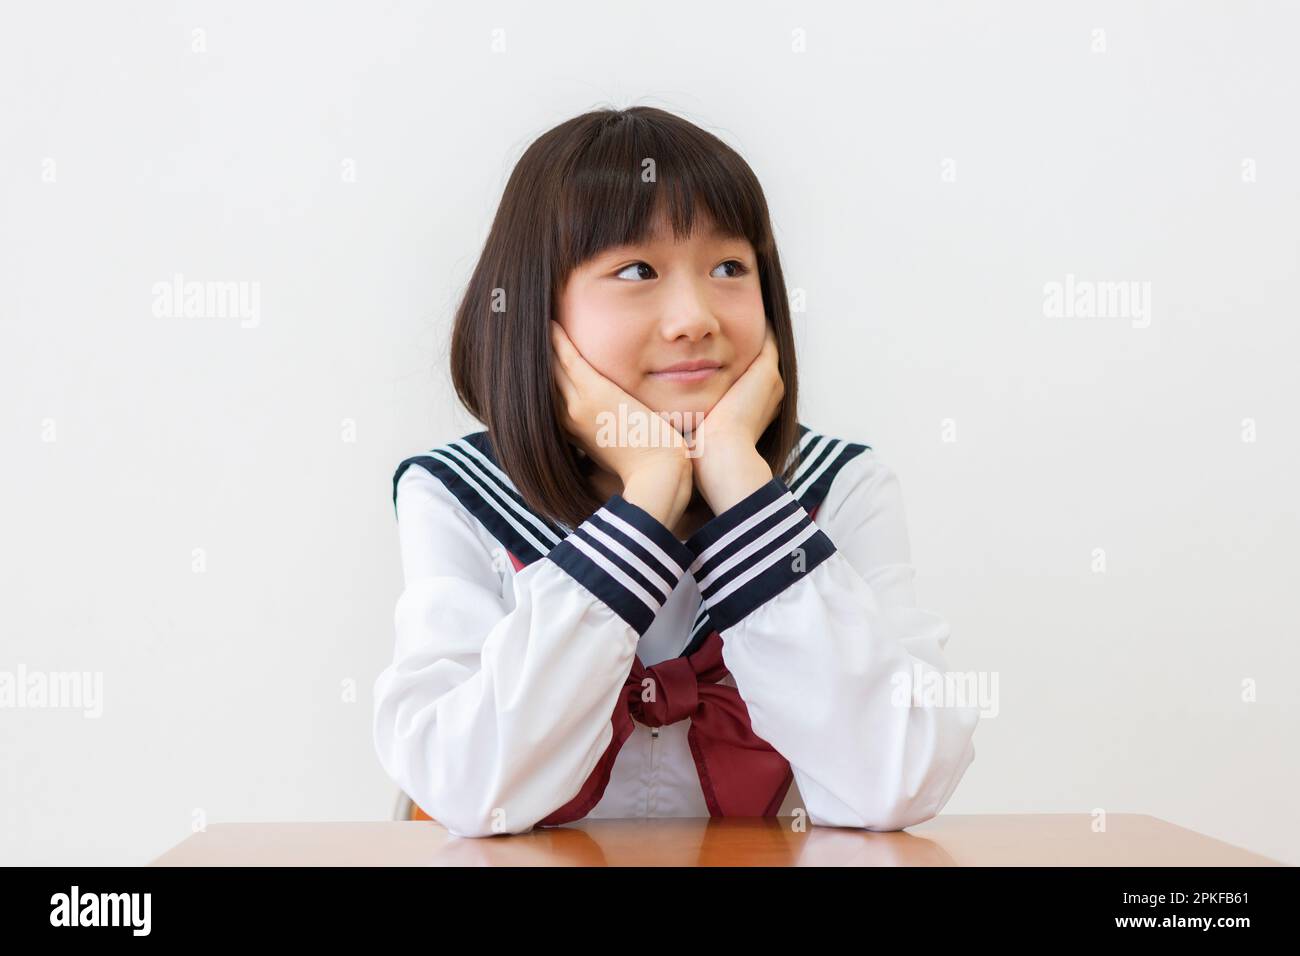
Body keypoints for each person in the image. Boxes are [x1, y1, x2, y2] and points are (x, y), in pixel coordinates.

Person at [372, 106, 979, 838]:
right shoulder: (459, 495)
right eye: (637, 270)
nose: (694, 317)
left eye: (730, 267)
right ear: (537, 310)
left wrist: (739, 484)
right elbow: (471, 788)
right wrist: (650, 494)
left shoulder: (843, 487)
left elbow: (897, 784)